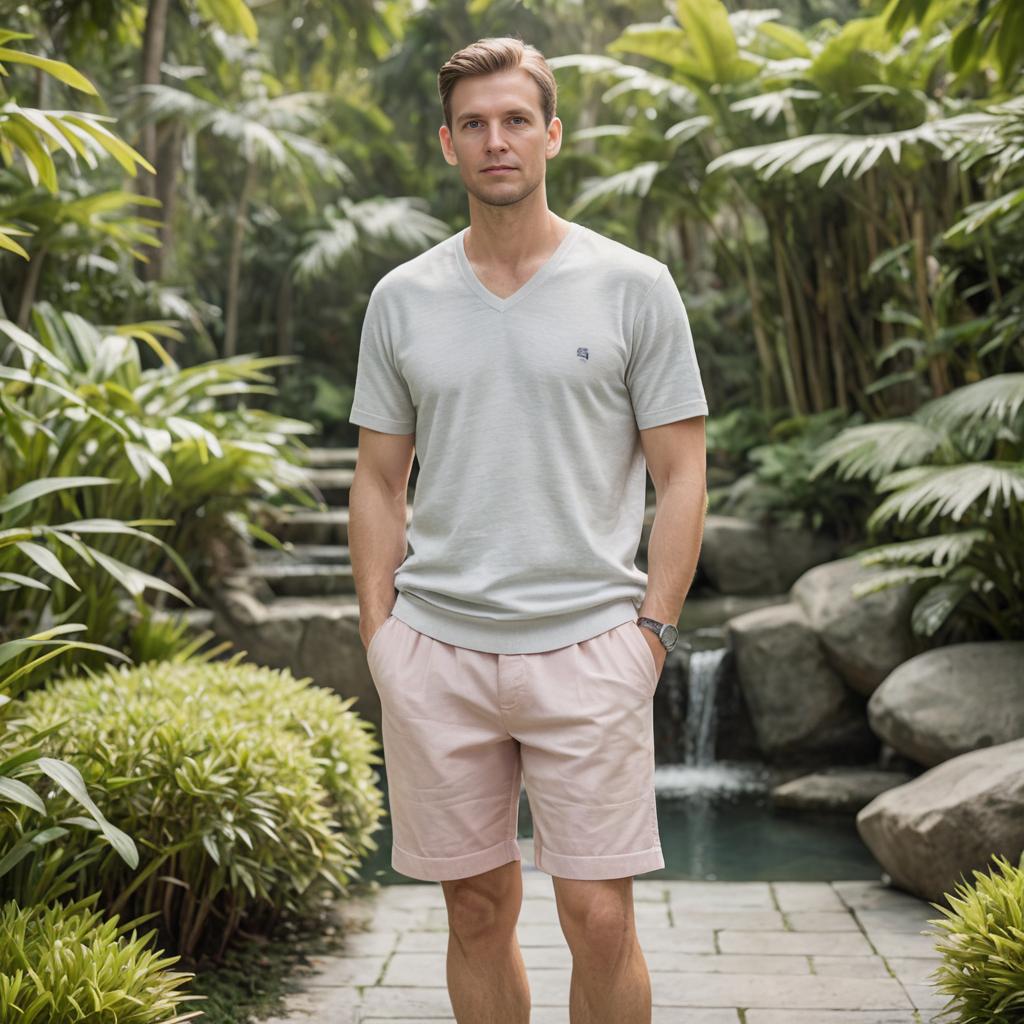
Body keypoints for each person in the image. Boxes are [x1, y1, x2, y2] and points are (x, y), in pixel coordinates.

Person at [348, 34, 709, 1024]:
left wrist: (651, 635)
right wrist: (382, 637)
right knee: (474, 907)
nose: (495, 140)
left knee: (598, 916)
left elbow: (682, 474)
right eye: (474, 124)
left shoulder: (633, 285)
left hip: (590, 645)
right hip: (437, 651)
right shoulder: (402, 298)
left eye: (515, 120)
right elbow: (378, 480)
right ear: (446, 143)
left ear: (551, 133)